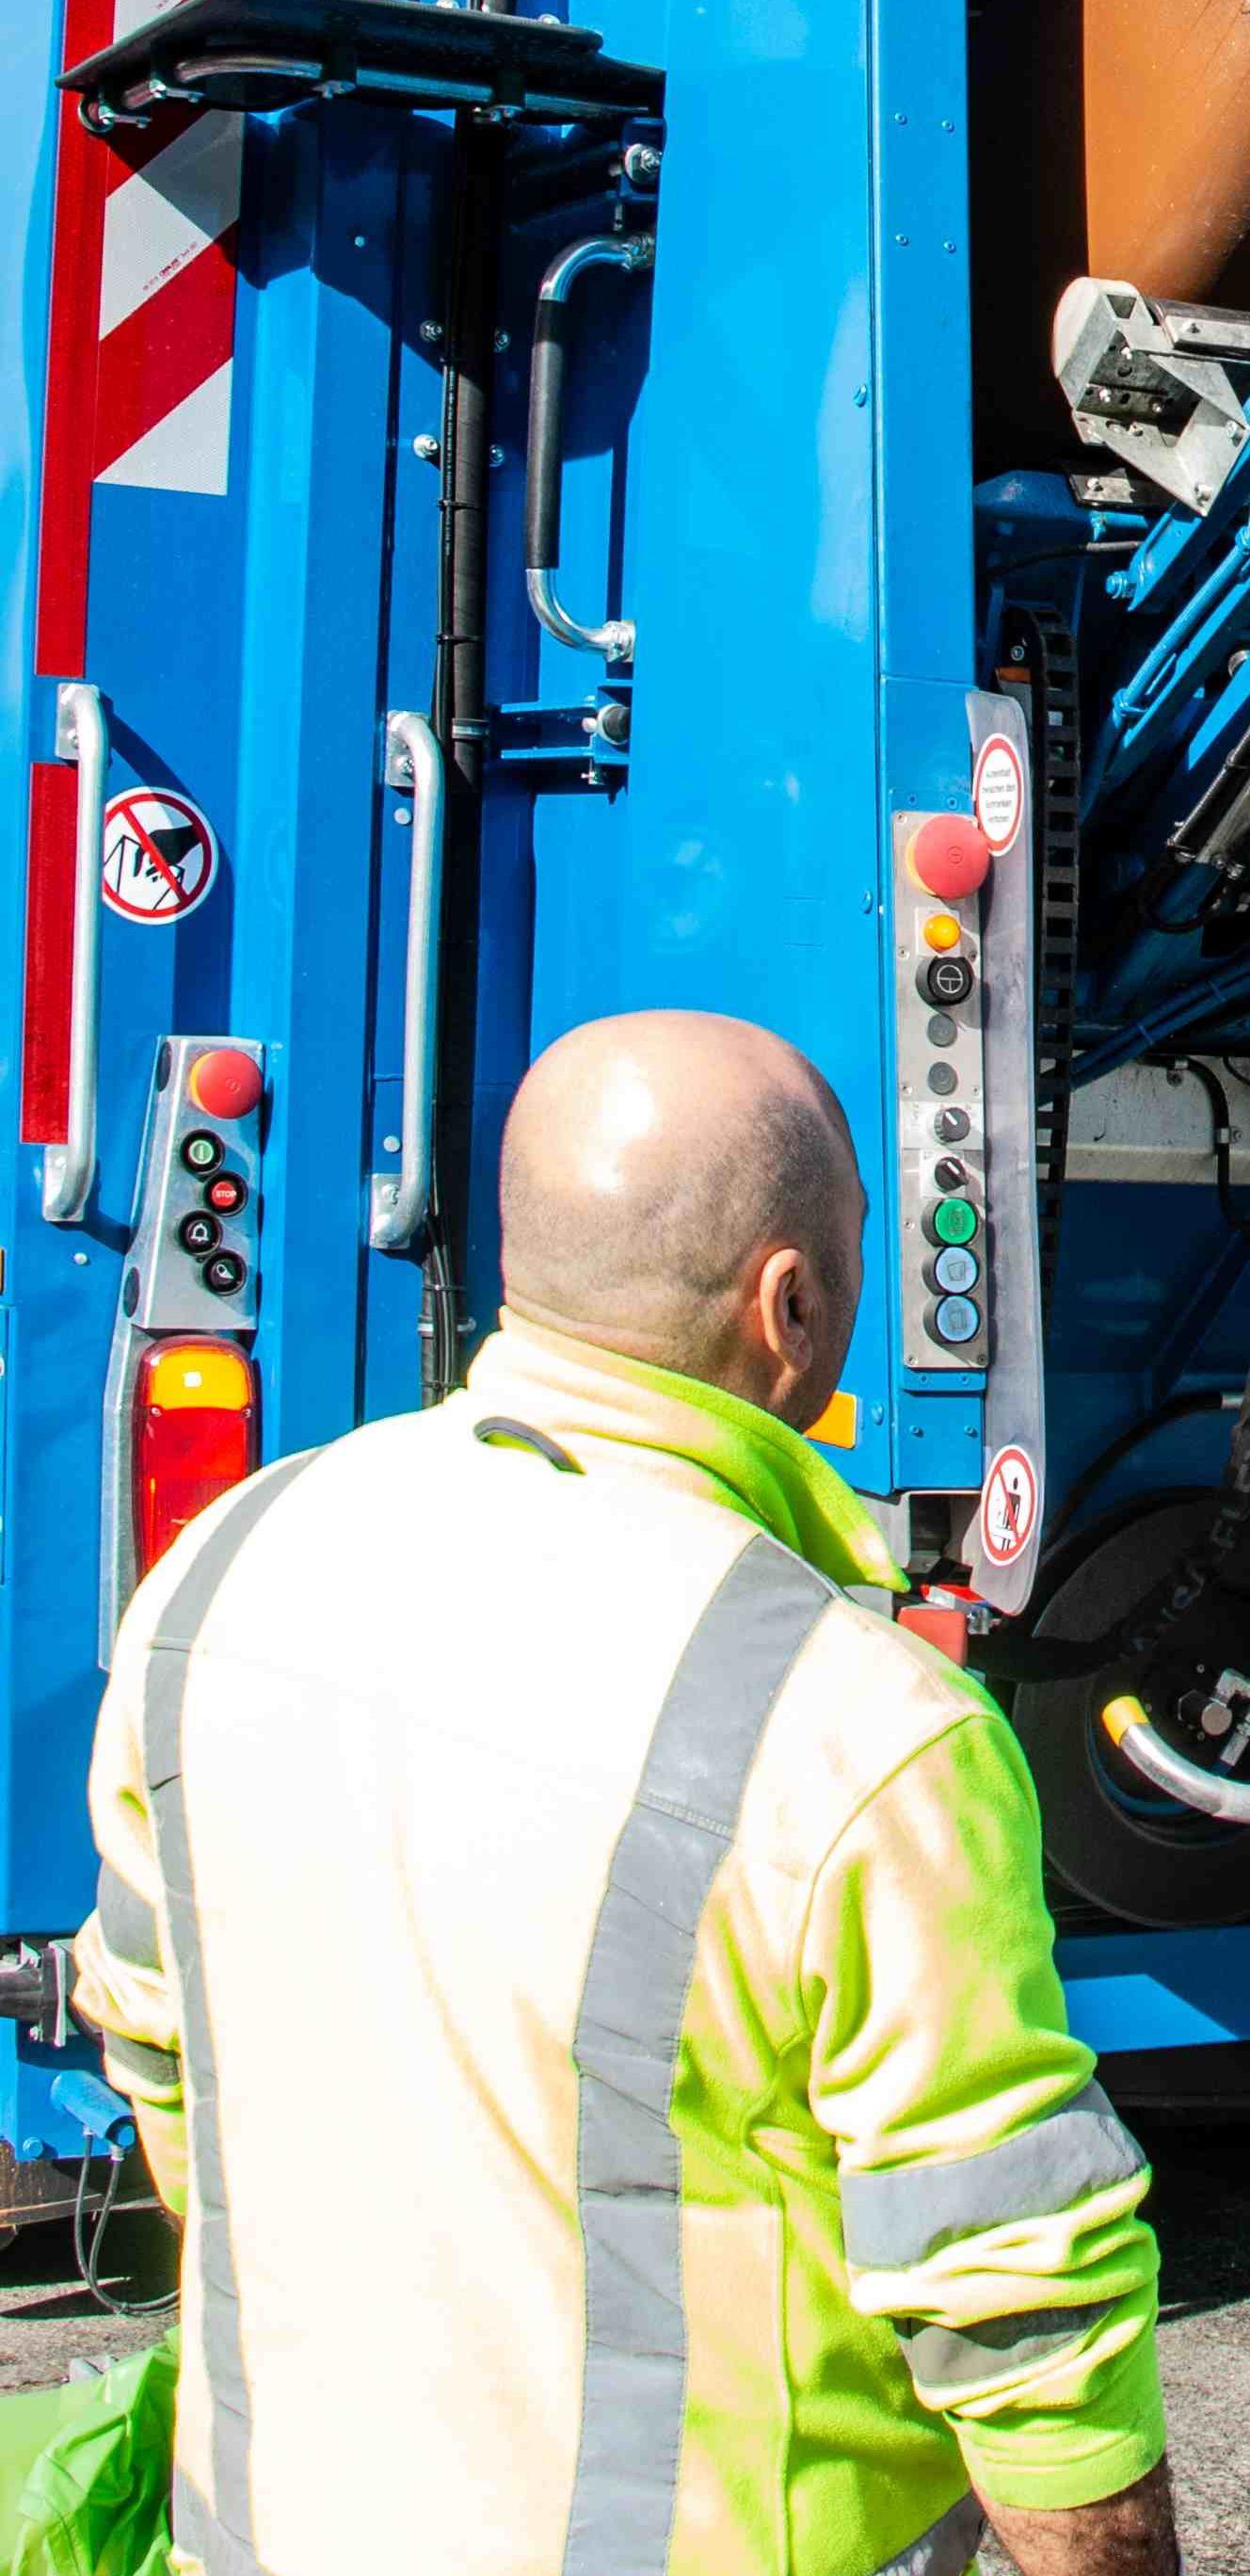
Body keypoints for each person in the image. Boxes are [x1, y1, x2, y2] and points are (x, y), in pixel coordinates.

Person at [69, 1011, 1181, 2576]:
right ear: (789, 1304)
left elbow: (163, 2055)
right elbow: (1021, 2309)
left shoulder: (221, 1572)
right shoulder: (862, 1737)